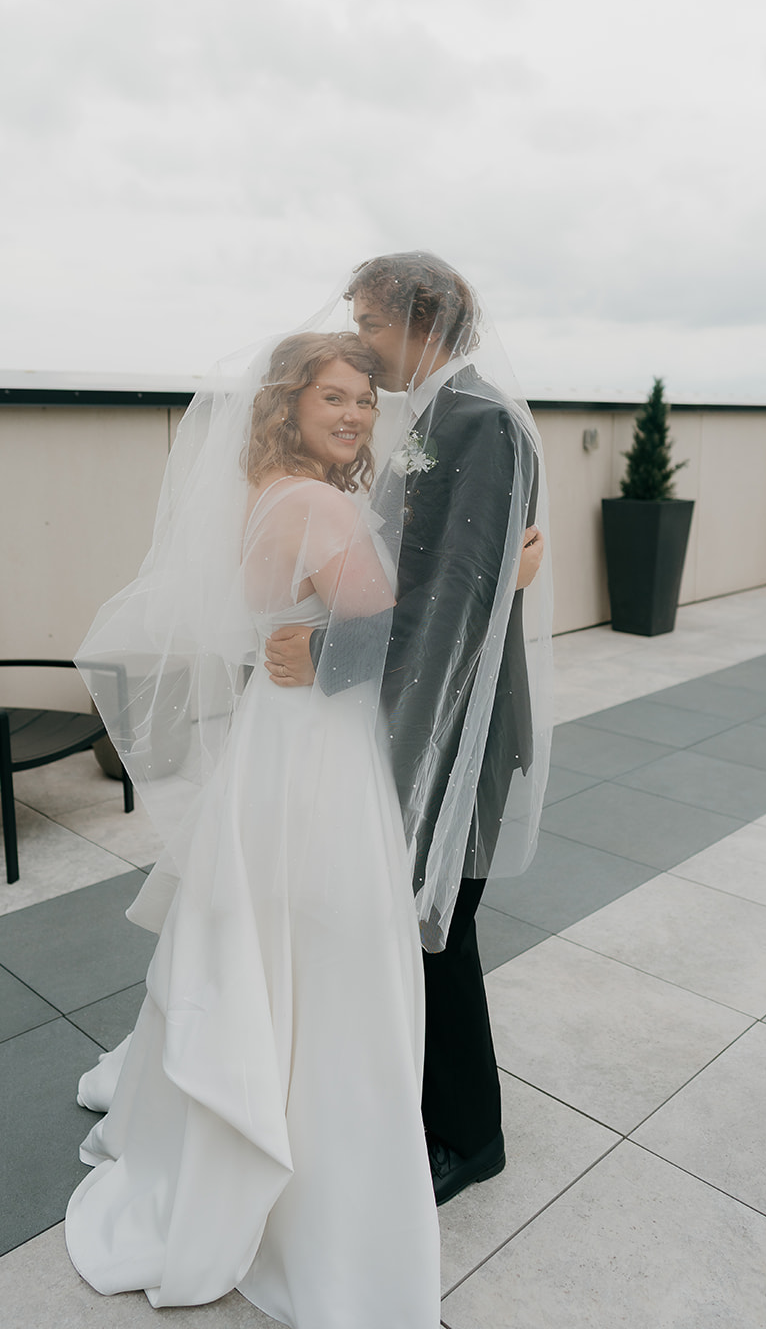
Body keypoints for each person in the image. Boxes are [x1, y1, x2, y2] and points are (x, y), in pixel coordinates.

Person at [66, 331, 441, 1327]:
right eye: (334, 396)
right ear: (290, 401)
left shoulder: (261, 492)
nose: (356, 414)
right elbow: (391, 635)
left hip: (275, 742)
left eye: (365, 398)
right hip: (319, 746)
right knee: (328, 944)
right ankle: (318, 1156)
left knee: (265, 931)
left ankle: (241, 1093)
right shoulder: (319, 502)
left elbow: (305, 621)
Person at [265, 253, 553, 1207]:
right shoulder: (435, 418)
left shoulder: (478, 423)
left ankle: (469, 1139)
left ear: (418, 322)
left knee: (443, 929)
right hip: (421, 707)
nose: (365, 345)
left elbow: (450, 604)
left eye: (371, 327)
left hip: (455, 720)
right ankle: (422, 1110)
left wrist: (332, 657)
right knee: (414, 925)